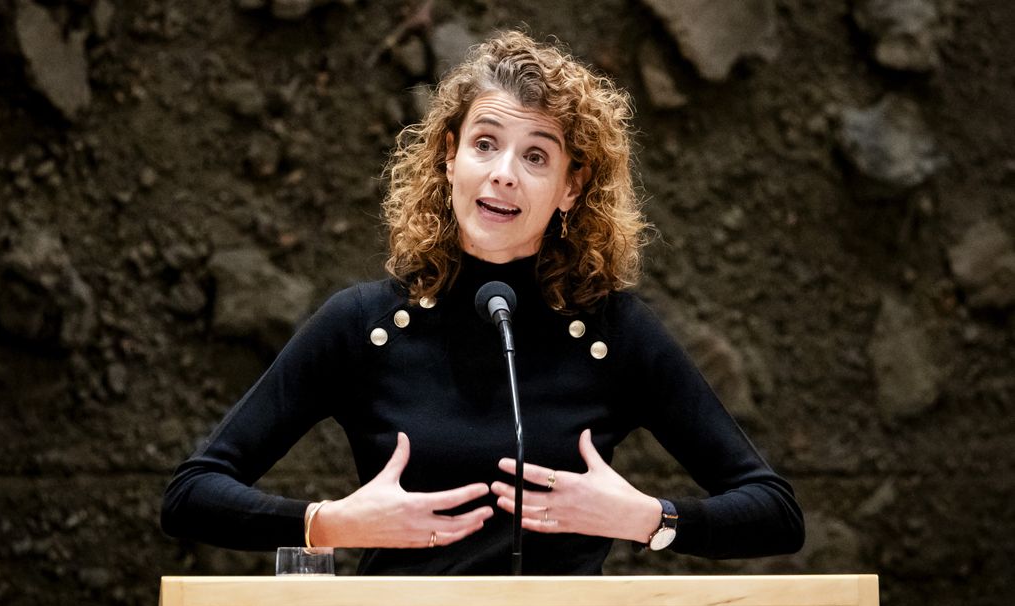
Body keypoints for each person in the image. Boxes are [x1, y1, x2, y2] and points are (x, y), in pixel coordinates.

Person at [160, 30, 804, 575]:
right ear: (449, 159)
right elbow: (191, 495)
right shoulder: (364, 326)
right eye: (485, 143)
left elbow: (775, 513)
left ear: (572, 187)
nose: (503, 172)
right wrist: (329, 523)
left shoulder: (613, 336)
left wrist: (646, 518)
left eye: (536, 156)